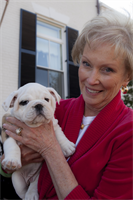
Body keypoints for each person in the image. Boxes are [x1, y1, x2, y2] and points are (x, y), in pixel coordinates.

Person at [1, 10, 133, 200]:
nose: (92, 79)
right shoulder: (56, 108)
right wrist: (7, 165)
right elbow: (9, 143)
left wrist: (50, 149)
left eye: (107, 69)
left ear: (126, 77)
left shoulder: (127, 132)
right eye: (86, 64)